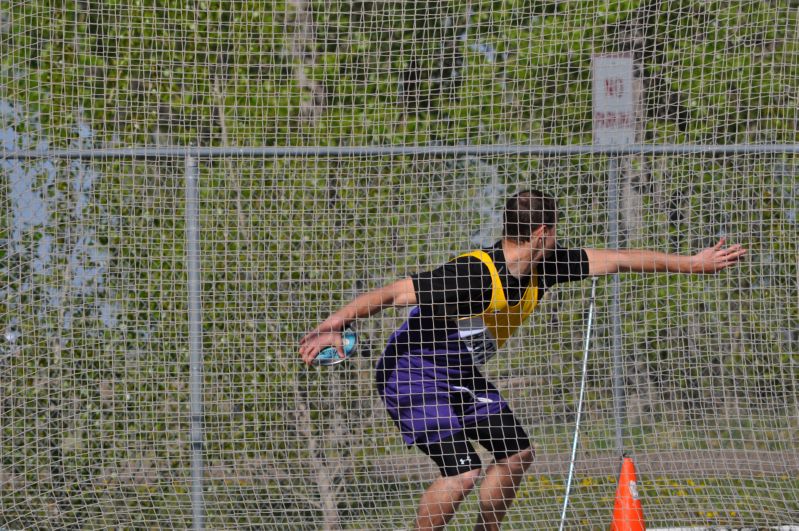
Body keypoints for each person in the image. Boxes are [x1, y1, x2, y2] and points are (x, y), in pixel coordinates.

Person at [299, 190, 746, 531]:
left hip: (455, 370)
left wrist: (692, 263)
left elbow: (620, 259)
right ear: (541, 234)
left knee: (516, 454)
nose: (559, 239)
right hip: (412, 370)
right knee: (463, 474)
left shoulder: (544, 266)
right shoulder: (474, 274)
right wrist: (332, 326)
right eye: (555, 230)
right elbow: (392, 293)